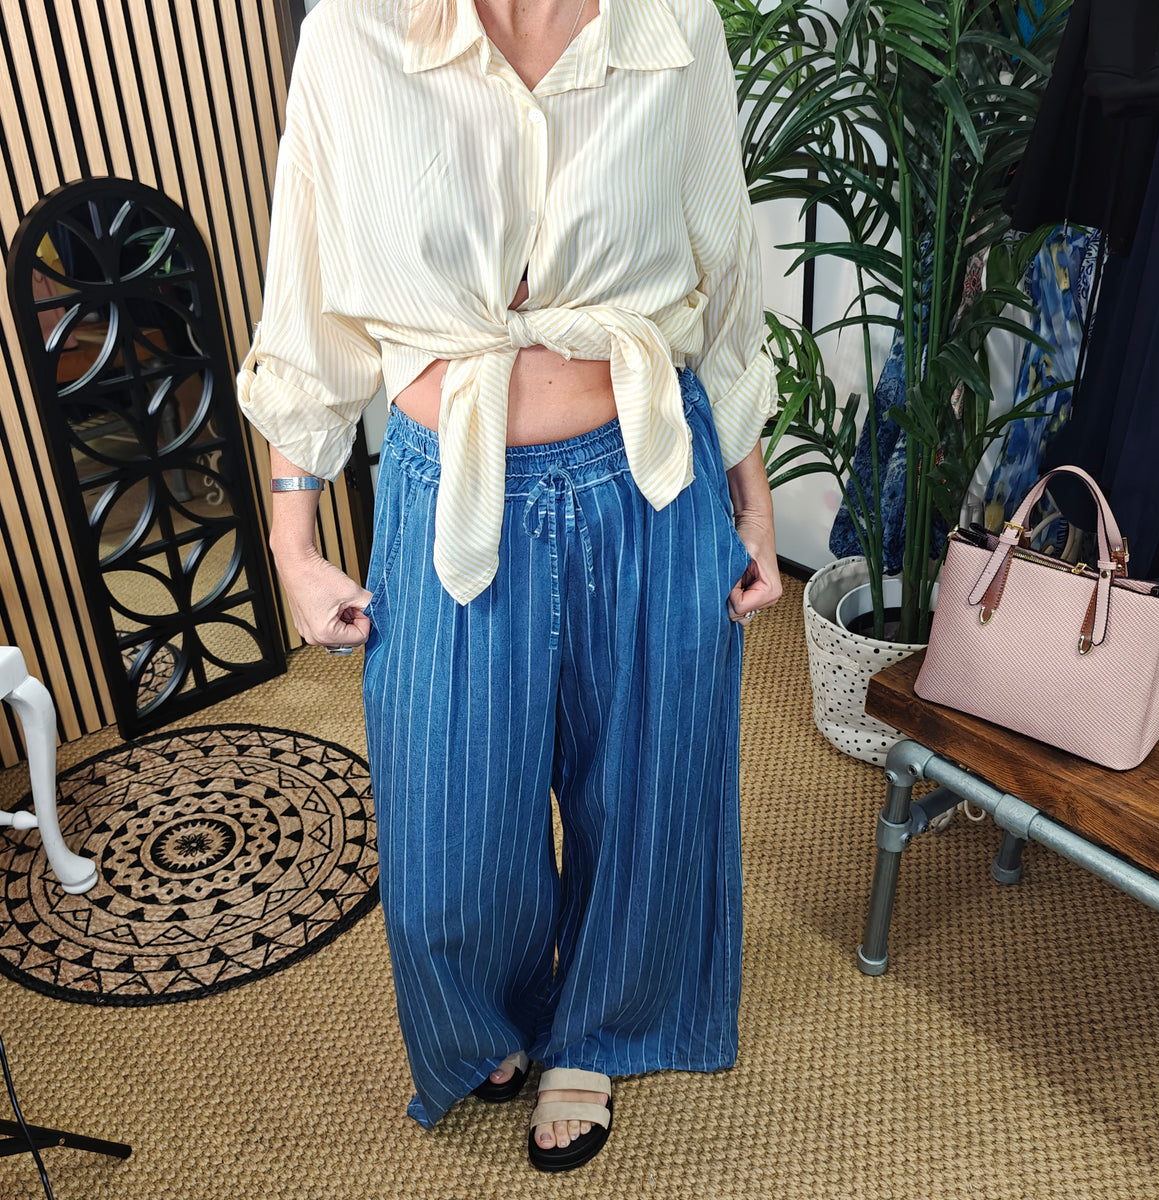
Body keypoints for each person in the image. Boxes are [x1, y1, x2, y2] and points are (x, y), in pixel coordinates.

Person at [237, 0, 782, 1172]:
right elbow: (309, 294)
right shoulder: (354, 35)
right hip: (449, 488)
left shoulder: (673, 24)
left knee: (642, 782)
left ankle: (597, 1026)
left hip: (646, 476)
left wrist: (755, 506)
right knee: (447, 817)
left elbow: (724, 270)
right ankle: (485, 1012)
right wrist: (291, 541)